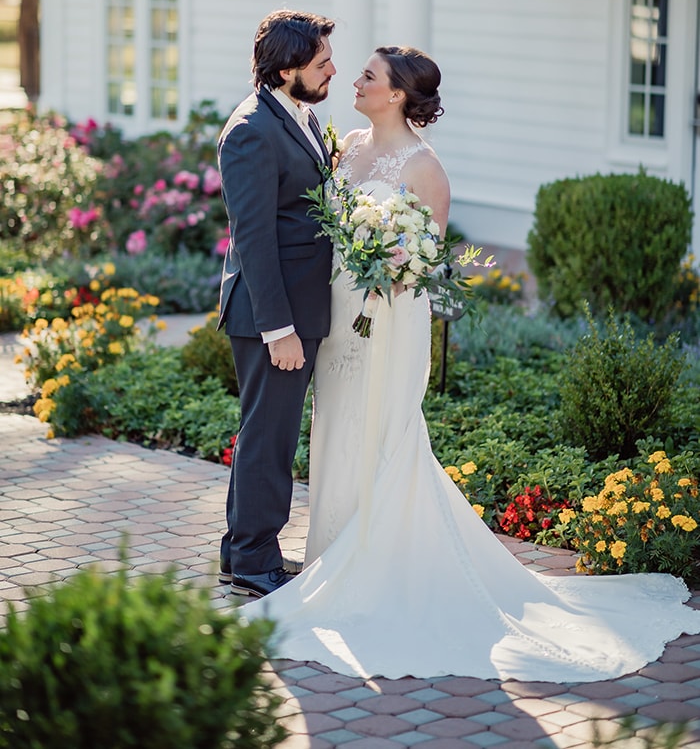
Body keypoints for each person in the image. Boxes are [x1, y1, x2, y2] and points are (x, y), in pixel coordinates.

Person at [241, 44, 700, 682]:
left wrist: (394, 262)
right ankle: (331, 555)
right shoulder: (344, 145)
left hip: (390, 317)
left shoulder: (425, 167)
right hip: (339, 313)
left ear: (398, 93)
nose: (355, 79)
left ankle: (380, 563)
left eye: (369, 75)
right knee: (335, 428)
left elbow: (429, 260)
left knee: (384, 431)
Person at [217, 9, 336, 600]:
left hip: (298, 307)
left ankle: (239, 547)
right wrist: (280, 329)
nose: (333, 71)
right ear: (287, 69)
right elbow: (254, 239)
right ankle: (254, 562)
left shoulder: (298, 113)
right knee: (270, 437)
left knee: (264, 432)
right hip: (275, 314)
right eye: (322, 63)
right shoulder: (250, 131)